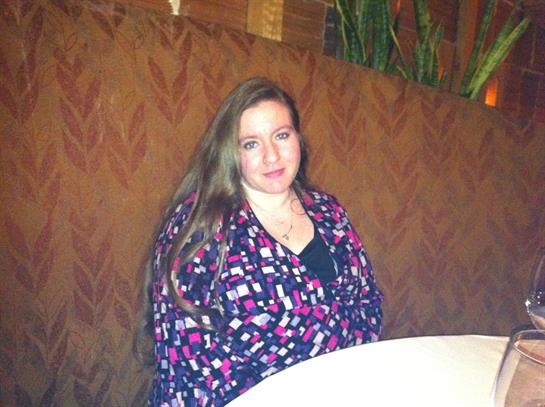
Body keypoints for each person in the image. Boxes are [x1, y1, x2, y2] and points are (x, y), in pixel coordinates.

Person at [146, 77, 383, 406]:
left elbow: (368, 304)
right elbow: (189, 362)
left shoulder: (329, 212)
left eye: (281, 136)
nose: (272, 156)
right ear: (230, 153)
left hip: (342, 387)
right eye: (251, 144)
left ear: (298, 139)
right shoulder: (199, 226)